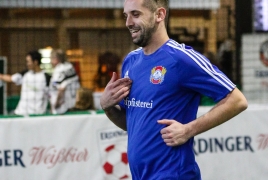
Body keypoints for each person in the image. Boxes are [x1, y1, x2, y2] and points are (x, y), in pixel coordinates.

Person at [100, 0, 248, 179]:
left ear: (159, 15)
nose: (128, 22)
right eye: (126, 16)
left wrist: (188, 130)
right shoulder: (131, 61)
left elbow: (237, 100)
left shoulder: (181, 59)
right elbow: (130, 123)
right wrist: (107, 106)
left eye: (136, 14)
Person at [0, 50, 50, 115]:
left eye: (28, 62)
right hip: (21, 113)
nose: (27, 64)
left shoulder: (46, 77)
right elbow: (11, 78)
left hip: (37, 115)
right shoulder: (25, 74)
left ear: (35, 62)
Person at [49, 49, 80, 114]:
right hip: (74, 104)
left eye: (51, 59)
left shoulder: (59, 70)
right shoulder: (70, 67)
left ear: (56, 59)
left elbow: (61, 89)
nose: (50, 62)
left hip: (62, 108)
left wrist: (55, 104)